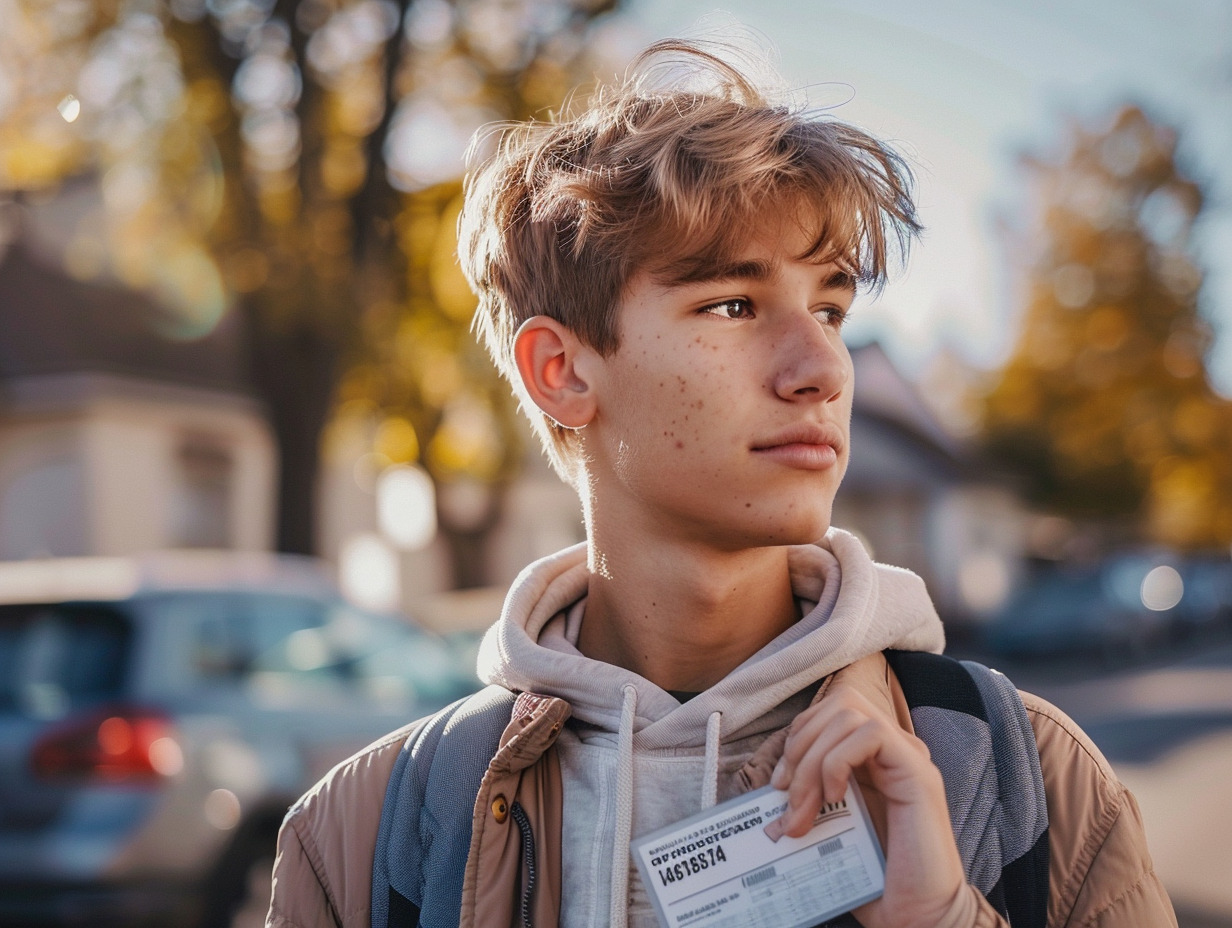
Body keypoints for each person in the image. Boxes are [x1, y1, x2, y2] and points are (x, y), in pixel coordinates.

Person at [265, 37, 1177, 928]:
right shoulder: (363, 833)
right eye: (733, 306)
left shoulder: (1025, 775)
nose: (821, 366)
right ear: (563, 372)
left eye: (830, 305)